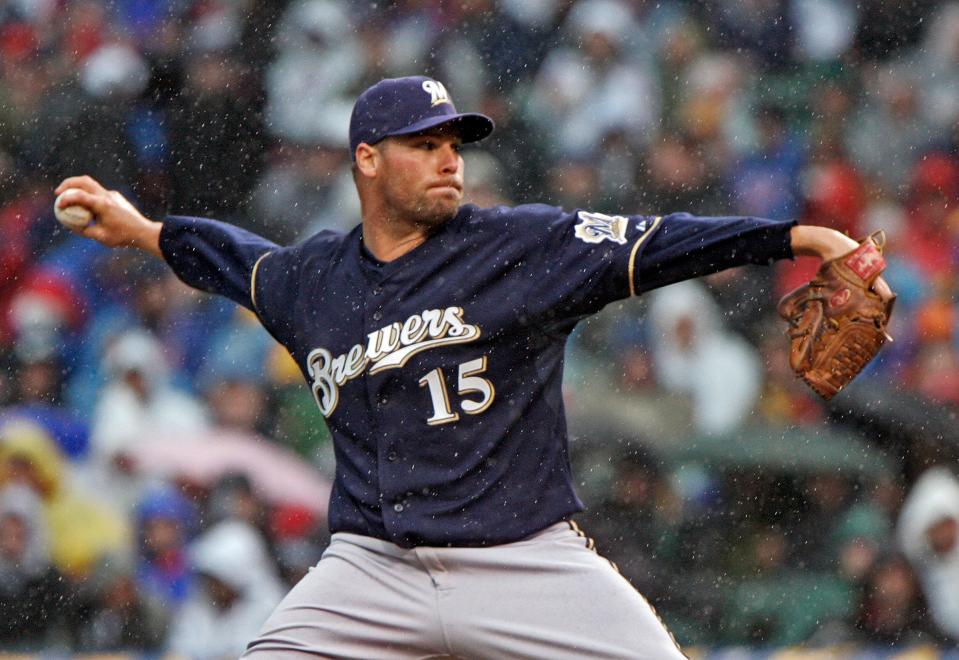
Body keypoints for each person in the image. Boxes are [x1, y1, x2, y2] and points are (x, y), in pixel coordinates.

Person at [55, 75, 888, 658]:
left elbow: (659, 239)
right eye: (423, 144)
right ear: (368, 160)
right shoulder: (309, 282)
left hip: (525, 559)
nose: (449, 158)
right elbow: (228, 255)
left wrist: (801, 237)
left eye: (453, 142)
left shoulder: (520, 245)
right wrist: (139, 228)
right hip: (370, 569)